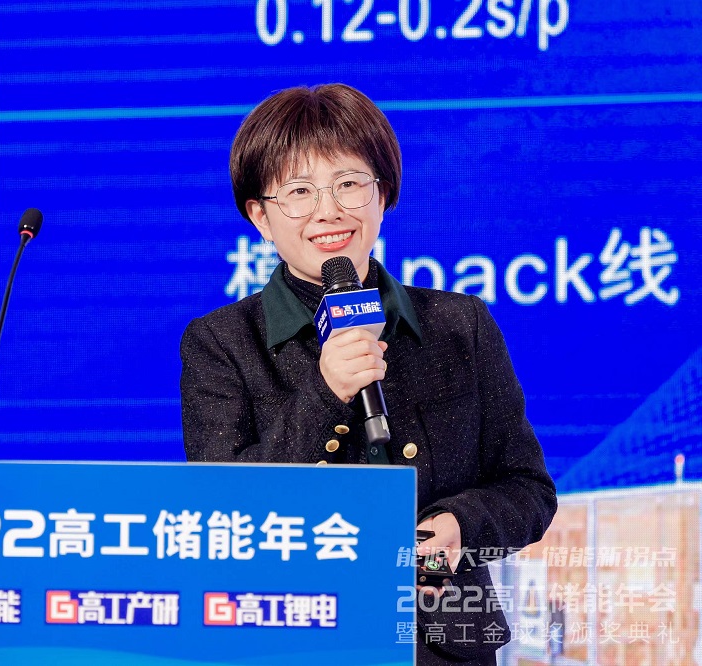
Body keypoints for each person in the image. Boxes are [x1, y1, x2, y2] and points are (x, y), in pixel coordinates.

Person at [180, 83, 557, 665]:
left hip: (440, 644)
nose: (328, 211)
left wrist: (461, 526)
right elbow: (219, 513)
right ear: (260, 216)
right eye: (298, 192)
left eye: (349, 184)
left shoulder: (461, 324)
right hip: (291, 638)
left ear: (383, 194)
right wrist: (326, 392)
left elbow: (528, 488)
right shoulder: (222, 343)